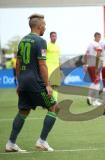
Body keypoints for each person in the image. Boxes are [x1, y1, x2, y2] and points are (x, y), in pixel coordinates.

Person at [5, 14, 59, 152]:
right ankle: (42, 141)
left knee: (23, 110)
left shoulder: (22, 41)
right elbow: (42, 65)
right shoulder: (40, 41)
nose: (45, 27)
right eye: (44, 25)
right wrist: (47, 84)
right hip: (35, 82)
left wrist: (18, 82)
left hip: (23, 82)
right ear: (39, 26)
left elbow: (18, 63)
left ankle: (11, 143)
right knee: (54, 107)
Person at [83, 32, 102, 106]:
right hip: (95, 65)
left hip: (90, 65)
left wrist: (85, 64)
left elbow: (86, 54)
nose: (99, 39)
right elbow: (99, 54)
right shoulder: (96, 45)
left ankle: (90, 97)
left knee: (94, 82)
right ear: (95, 37)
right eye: (98, 37)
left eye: (100, 37)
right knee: (97, 82)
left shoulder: (90, 44)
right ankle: (94, 100)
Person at [46, 31, 61, 101]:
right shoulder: (46, 45)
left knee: (56, 86)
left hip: (56, 68)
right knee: (50, 85)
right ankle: (49, 100)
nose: (54, 37)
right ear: (50, 37)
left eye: (55, 36)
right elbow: (42, 56)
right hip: (49, 68)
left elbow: (58, 58)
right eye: (53, 36)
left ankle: (55, 100)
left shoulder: (58, 46)